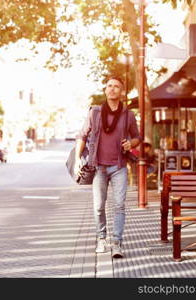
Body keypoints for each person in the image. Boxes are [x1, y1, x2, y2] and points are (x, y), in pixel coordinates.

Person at [74, 75, 141, 258]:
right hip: (98, 167)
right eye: (109, 86)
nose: (112, 89)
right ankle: (101, 238)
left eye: (116, 86)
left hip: (119, 166)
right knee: (98, 206)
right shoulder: (95, 113)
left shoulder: (128, 115)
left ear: (121, 91)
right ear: (105, 90)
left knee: (119, 205)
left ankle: (117, 243)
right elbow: (82, 136)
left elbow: (137, 137)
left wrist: (131, 144)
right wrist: (76, 160)